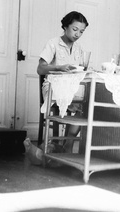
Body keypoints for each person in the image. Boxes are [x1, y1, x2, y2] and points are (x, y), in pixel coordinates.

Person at [37, 11, 89, 152]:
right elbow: (40, 69)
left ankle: (69, 142)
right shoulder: (53, 43)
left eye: (82, 32)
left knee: (87, 104)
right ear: (65, 27)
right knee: (78, 101)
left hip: (72, 87)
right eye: (75, 29)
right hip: (53, 87)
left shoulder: (79, 49)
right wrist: (59, 67)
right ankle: (66, 144)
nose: (78, 34)